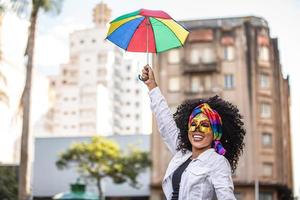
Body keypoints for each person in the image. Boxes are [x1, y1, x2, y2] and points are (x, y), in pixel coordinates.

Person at [141, 65, 246, 200]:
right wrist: (152, 86)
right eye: (194, 124)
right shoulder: (182, 154)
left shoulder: (217, 162)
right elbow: (165, 123)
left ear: (215, 133)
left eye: (204, 125)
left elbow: (226, 197)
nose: (197, 129)